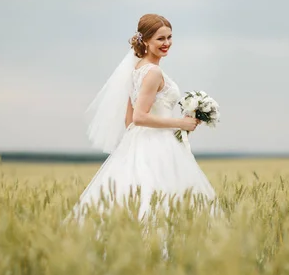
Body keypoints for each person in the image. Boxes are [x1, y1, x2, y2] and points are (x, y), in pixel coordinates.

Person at [70, 13, 217, 224]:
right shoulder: (154, 72)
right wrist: (180, 123)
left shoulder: (136, 69)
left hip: (139, 143)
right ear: (145, 40)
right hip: (158, 145)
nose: (167, 43)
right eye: (160, 38)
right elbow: (139, 117)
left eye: (169, 37)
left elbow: (129, 120)